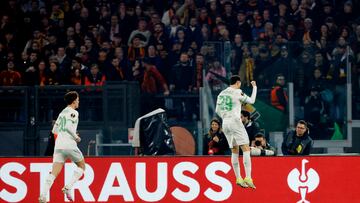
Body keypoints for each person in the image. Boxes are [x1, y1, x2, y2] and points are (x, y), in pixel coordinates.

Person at [39, 91, 85, 203]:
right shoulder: (74, 112)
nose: (78, 102)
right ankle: (68, 187)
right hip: (69, 144)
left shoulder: (62, 113)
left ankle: (43, 195)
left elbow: (54, 130)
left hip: (59, 145)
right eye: (78, 100)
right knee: (82, 166)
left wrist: (63, 134)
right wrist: (76, 137)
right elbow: (69, 126)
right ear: (74, 101)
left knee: (54, 172)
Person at [215, 75, 257, 189]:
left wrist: (226, 115)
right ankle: (248, 177)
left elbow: (217, 110)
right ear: (238, 83)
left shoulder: (221, 93)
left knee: (234, 150)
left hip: (225, 122)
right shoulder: (238, 92)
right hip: (235, 121)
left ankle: (238, 178)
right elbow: (252, 101)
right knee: (246, 148)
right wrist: (255, 87)